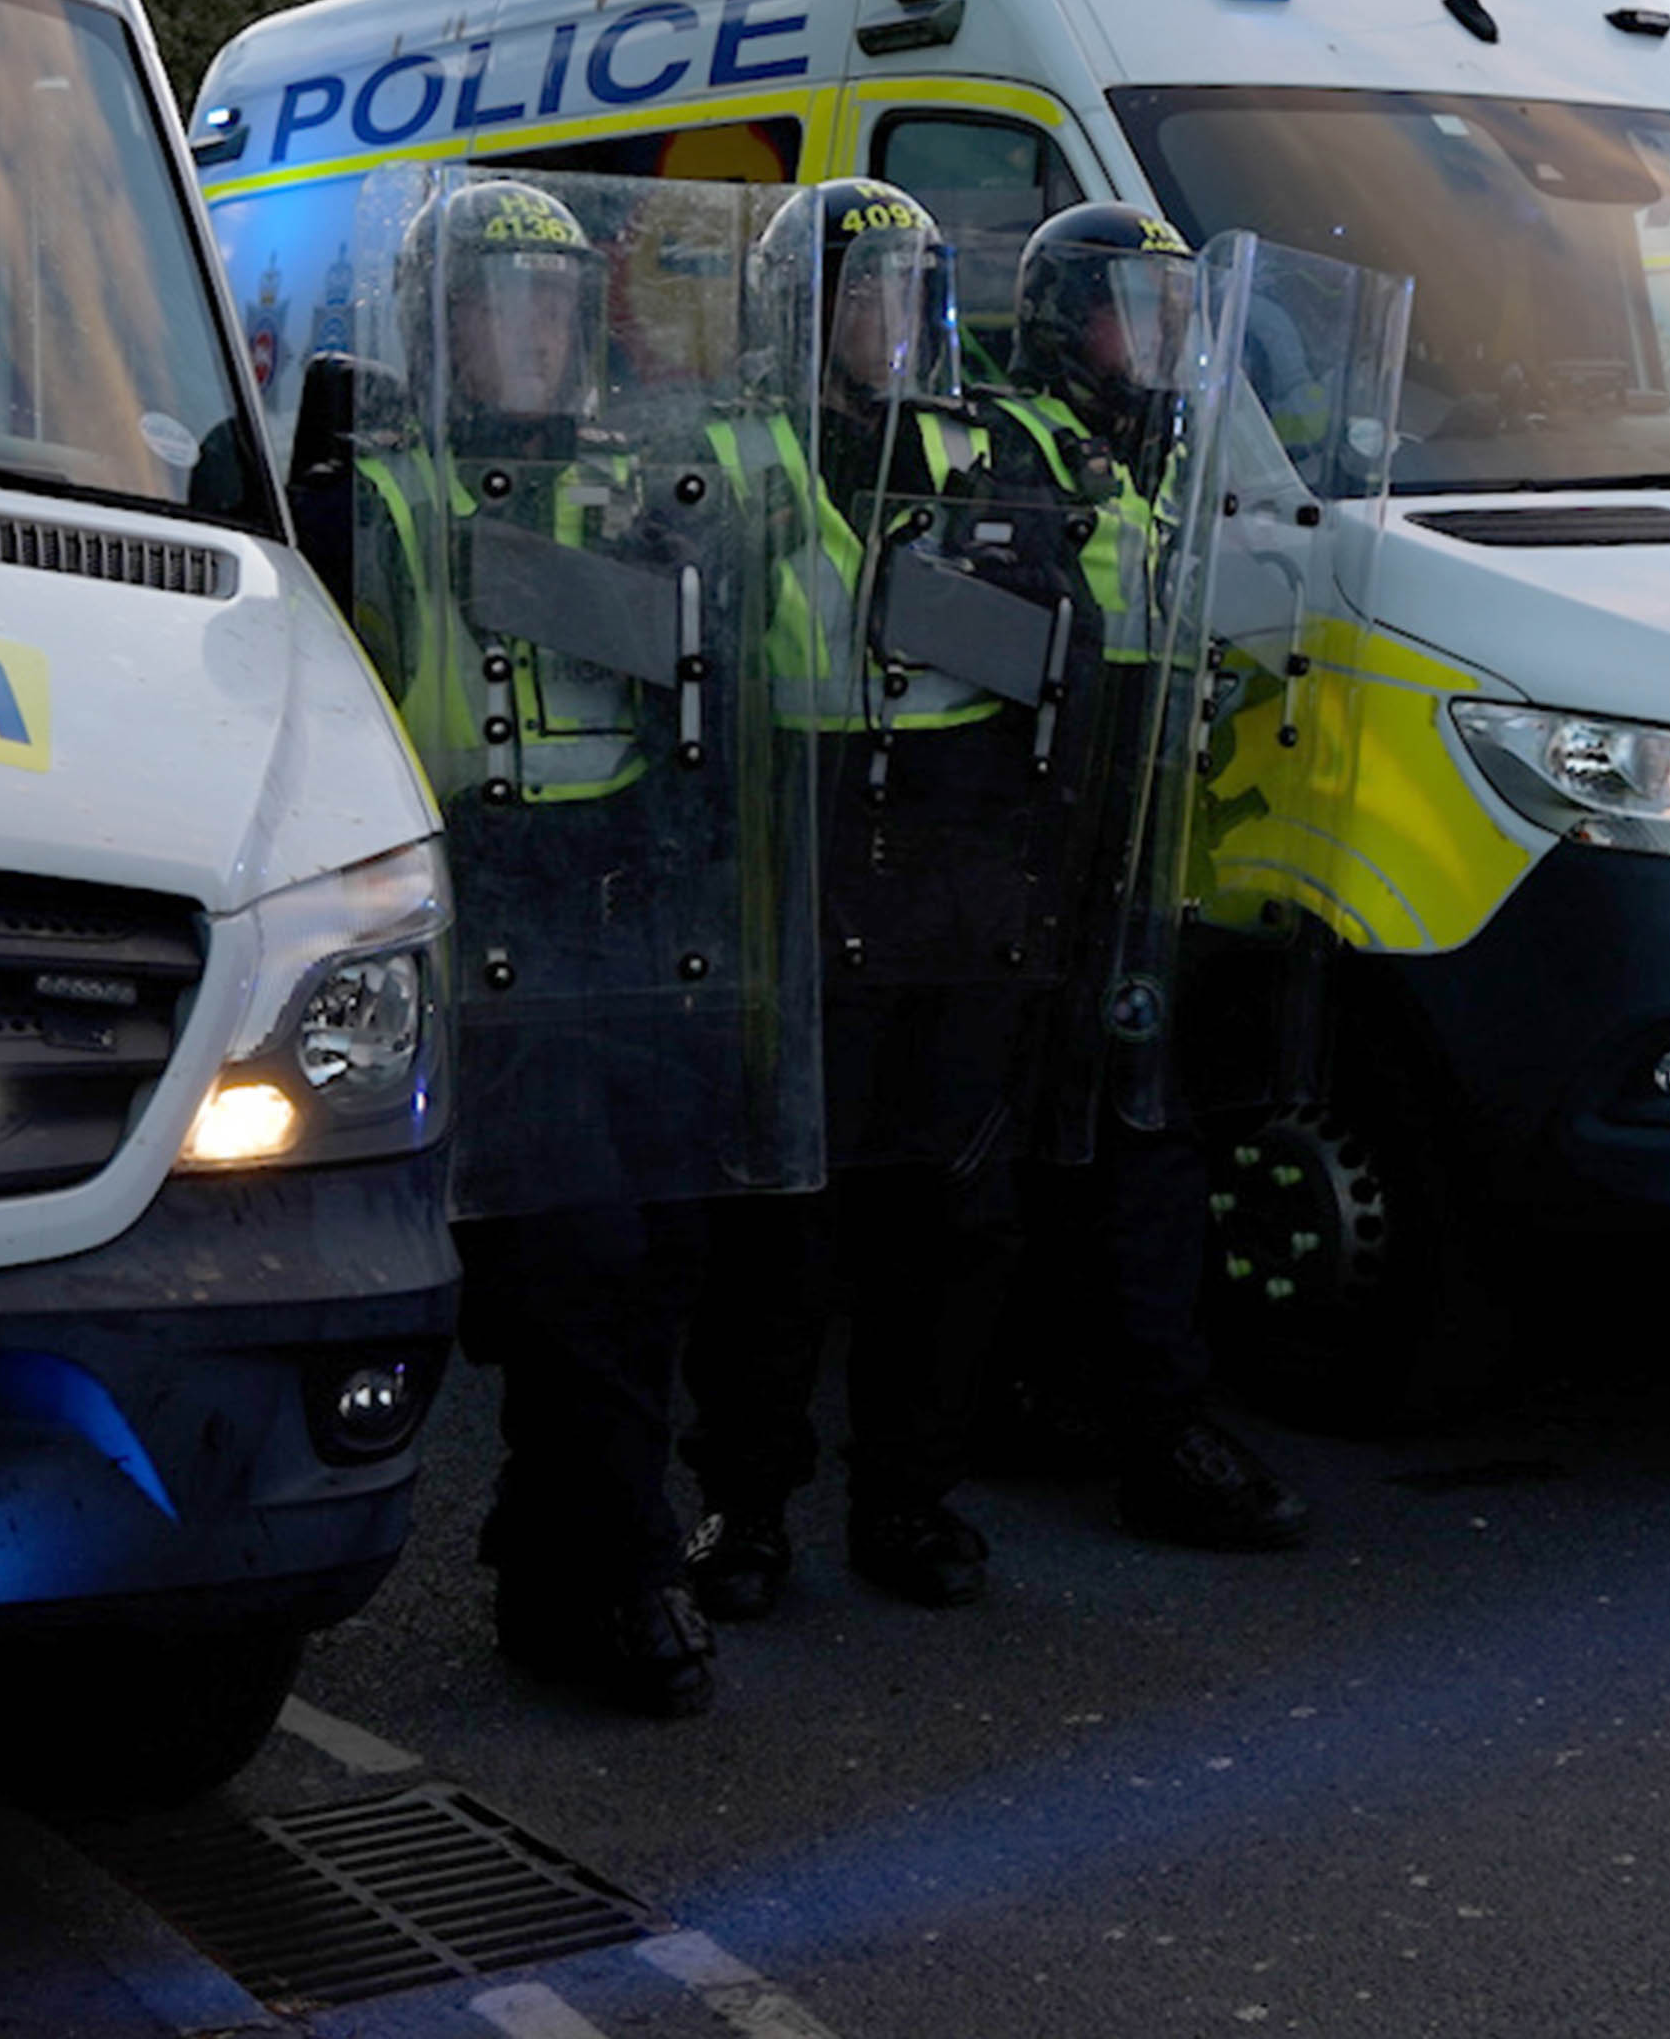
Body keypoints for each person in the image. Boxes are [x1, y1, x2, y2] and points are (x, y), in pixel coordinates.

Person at [334, 177, 792, 1716]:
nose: (527, 335)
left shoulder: (638, 476)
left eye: (551, 306)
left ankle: (552, 1550)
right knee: (580, 1257)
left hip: (631, 893)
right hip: (481, 904)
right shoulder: (385, 490)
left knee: (658, 1249)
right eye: (494, 304)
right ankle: (627, 1570)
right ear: (434, 325)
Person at [682, 181, 1103, 1618]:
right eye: (862, 292)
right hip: (799, 859)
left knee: (947, 1214)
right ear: (801, 308)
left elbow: (1072, 639)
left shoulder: (983, 447)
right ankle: (745, 1505)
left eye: (912, 293)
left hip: (960, 871)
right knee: (780, 1225)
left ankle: (910, 1497)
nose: (889, 321)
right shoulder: (732, 453)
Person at [978, 203, 1309, 1552]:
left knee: (1136, 1143)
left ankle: (1123, 1406)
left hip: (1136, 856)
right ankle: (1078, 1410)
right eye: (1135, 308)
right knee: (1055, 1151)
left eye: (1180, 310)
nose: (1164, 338)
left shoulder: (1160, 462)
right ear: (1068, 320)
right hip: (1028, 858)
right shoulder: (1010, 455)